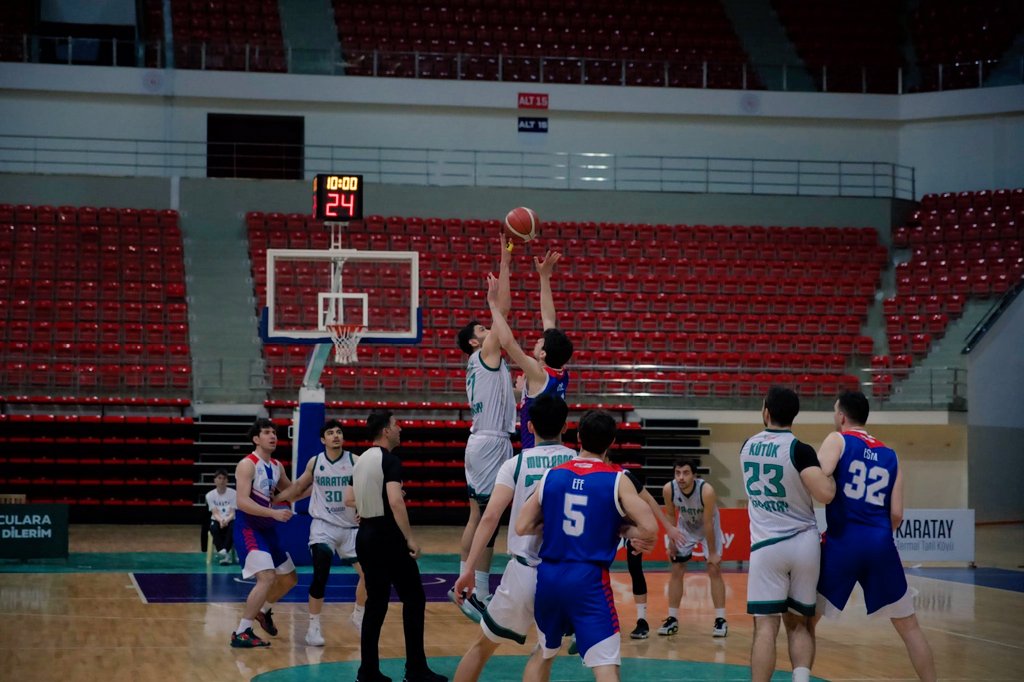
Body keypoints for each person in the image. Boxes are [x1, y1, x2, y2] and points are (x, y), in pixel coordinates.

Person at [516, 410, 658, 682]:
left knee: (544, 653)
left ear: (578, 437)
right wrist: (623, 529)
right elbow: (649, 529)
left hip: (549, 578)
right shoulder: (616, 479)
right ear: (611, 442)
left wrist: (554, 523)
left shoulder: (552, 475)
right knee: (606, 666)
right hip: (588, 580)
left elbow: (522, 526)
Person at [451, 394, 575, 682]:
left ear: (529, 427)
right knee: (543, 655)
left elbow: (490, 517)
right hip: (563, 573)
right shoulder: (578, 463)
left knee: (481, 648)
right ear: (566, 427)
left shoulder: (515, 464)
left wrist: (469, 568)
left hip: (522, 572)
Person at [814, 391, 937, 682]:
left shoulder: (838, 440)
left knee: (806, 623)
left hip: (843, 542)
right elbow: (897, 514)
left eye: (835, 412)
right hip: (880, 543)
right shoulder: (890, 454)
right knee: (909, 627)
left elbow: (819, 476)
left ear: (842, 416)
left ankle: (801, 676)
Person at [741, 387, 835, 682]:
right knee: (799, 624)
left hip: (767, 546)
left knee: (765, 627)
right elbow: (825, 494)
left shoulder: (746, 445)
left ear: (766, 411)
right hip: (804, 544)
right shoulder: (800, 449)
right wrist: (829, 473)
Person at [450, 234, 517, 621]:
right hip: (490, 444)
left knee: (478, 517)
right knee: (488, 521)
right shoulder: (486, 353)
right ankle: (477, 592)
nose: (487, 329)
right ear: (475, 341)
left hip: (483, 441)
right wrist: (506, 263)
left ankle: (468, 585)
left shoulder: (482, 364)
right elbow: (503, 311)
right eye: (482, 328)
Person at [352, 410, 446, 682]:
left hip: (365, 535)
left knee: (376, 604)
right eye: (396, 424)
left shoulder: (360, 460)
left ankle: (367, 671)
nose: (400, 428)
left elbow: (351, 498)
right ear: (385, 431)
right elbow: (395, 501)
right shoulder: (390, 460)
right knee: (415, 599)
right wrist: (410, 538)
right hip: (387, 537)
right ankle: (416, 669)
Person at [273, 419, 366, 647]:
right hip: (323, 527)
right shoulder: (316, 462)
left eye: (339, 432)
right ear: (323, 439)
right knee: (321, 574)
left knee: (370, 576)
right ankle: (313, 628)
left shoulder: (356, 460)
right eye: (331, 433)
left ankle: (359, 615)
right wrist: (276, 500)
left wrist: (367, 508)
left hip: (351, 528)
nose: (336, 436)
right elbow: (297, 488)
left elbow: (371, 486)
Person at [229, 418, 299, 648]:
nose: (272, 436)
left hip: (268, 529)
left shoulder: (277, 466)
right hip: (248, 527)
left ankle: (263, 611)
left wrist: (316, 481)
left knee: (289, 578)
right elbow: (241, 501)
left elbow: (291, 491)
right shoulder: (247, 464)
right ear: (256, 439)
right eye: (267, 432)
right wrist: (274, 512)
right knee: (267, 576)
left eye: (274, 433)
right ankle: (241, 632)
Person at [656, 459, 728, 637]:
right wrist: (671, 542)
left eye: (685, 473)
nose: (681, 477)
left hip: (707, 527)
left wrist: (712, 554)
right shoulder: (668, 489)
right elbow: (671, 515)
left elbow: (708, 523)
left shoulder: (706, 491)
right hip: (685, 527)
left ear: (694, 475)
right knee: (676, 568)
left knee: (714, 569)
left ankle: (720, 620)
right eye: (677, 473)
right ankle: (672, 618)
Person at [514, 249, 573, 451]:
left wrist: (496, 309)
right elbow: (549, 318)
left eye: (541, 341)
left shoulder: (538, 373)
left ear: (543, 353)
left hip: (534, 452)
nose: (539, 338)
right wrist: (544, 278)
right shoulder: (561, 371)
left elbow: (509, 343)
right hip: (557, 451)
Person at [206, 469, 237, 566]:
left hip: (230, 519)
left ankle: (223, 553)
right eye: (219, 478)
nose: (222, 480)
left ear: (227, 480)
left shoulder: (233, 493)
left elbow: (232, 512)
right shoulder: (210, 495)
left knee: (233, 528)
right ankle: (224, 553)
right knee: (213, 528)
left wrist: (226, 520)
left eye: (224, 478)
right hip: (217, 519)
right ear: (215, 480)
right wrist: (221, 521)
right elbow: (214, 513)